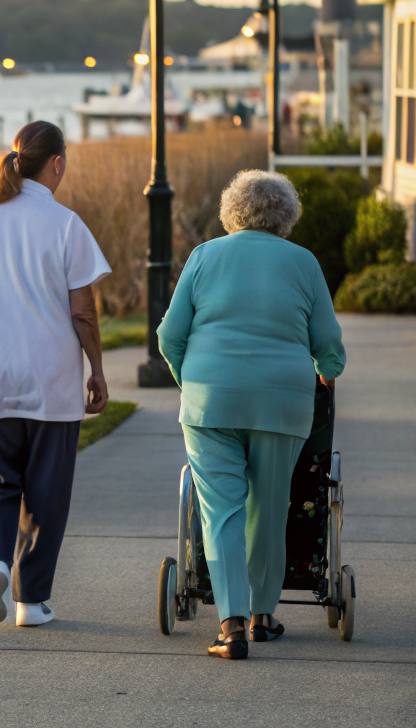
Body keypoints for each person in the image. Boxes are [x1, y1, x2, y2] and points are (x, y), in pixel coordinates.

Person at [158, 169, 345, 660]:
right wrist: (327, 372)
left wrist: (189, 381)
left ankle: (232, 626)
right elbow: (329, 346)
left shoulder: (204, 256)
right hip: (281, 401)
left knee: (221, 512)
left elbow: (169, 335)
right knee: (269, 506)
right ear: (287, 215)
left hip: (209, 401)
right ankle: (263, 617)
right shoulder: (303, 262)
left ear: (231, 211)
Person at [0, 121, 110, 628]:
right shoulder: (65, 224)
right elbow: (83, 313)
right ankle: (29, 603)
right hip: (50, 380)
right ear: (56, 163)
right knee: (46, 491)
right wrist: (96, 368)